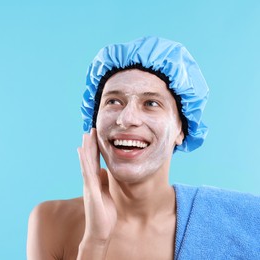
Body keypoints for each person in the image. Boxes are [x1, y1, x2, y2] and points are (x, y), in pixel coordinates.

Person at [27, 36, 260, 259]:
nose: (126, 118)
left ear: (182, 129)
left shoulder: (247, 221)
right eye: (113, 101)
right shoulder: (52, 222)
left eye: (151, 103)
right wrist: (96, 239)